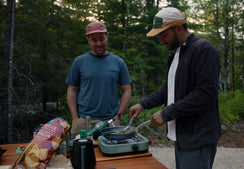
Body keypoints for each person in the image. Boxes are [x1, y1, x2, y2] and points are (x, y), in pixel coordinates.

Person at [129, 7, 220, 169]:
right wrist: (143, 104)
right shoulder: (178, 54)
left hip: (198, 137)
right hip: (183, 136)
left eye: (164, 35)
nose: (161, 40)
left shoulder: (202, 49)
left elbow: (206, 93)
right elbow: (169, 89)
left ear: (178, 28)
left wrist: (167, 113)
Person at [66, 21, 132, 139]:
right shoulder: (79, 62)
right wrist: (75, 118)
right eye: (94, 40)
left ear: (107, 36)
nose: (99, 43)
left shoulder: (118, 62)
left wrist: (118, 116)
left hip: (110, 123)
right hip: (84, 123)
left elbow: (126, 90)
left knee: (111, 155)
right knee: (81, 156)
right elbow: (72, 90)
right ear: (88, 40)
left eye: (102, 39)